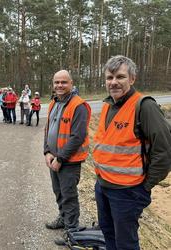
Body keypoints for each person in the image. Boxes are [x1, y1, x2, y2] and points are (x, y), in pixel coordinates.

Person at [92, 55, 171, 250]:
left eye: (120, 77)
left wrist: (146, 186)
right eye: (109, 78)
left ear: (132, 79)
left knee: (126, 243)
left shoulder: (145, 106)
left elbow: (164, 151)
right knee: (108, 233)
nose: (114, 82)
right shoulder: (108, 105)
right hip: (103, 186)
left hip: (127, 192)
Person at [44, 70, 91, 246]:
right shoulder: (53, 102)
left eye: (63, 82)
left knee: (69, 196)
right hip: (54, 158)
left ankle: (72, 233)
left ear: (71, 83)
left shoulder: (78, 105)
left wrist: (60, 158)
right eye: (56, 82)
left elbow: (77, 137)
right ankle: (63, 219)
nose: (59, 86)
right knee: (59, 193)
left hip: (69, 162)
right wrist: (46, 151)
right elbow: (48, 130)